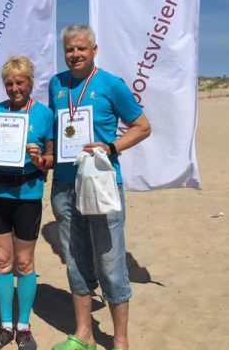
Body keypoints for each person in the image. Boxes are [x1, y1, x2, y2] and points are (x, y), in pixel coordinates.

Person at [48, 25, 151, 350]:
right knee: (75, 259)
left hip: (101, 184)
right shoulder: (56, 84)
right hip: (64, 185)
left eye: (81, 48)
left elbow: (142, 127)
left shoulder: (111, 84)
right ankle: (84, 335)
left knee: (109, 262)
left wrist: (112, 147)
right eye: (69, 49)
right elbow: (54, 131)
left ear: (94, 50)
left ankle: (120, 341)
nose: (75, 54)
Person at [0, 56, 54, 350]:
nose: (14, 88)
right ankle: (6, 326)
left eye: (20, 82)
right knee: (1, 260)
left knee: (24, 262)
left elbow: (51, 158)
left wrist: (39, 159)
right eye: (9, 83)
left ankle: (24, 327)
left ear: (30, 83)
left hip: (27, 194)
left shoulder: (44, 114)